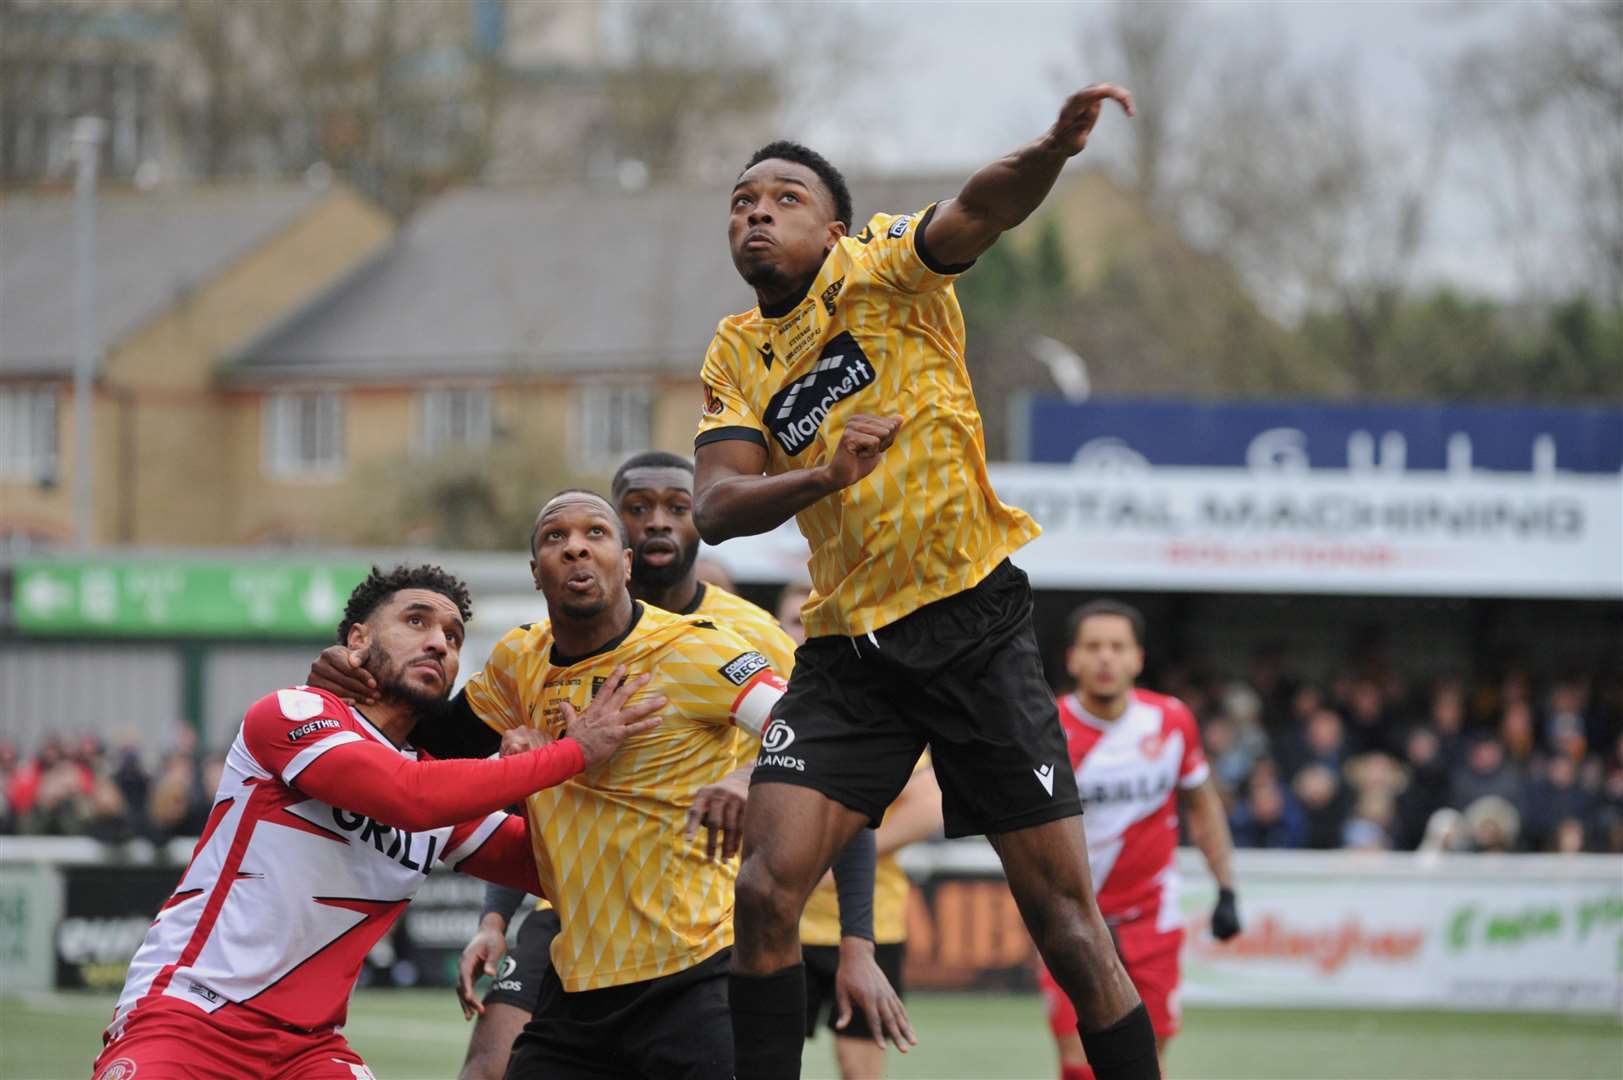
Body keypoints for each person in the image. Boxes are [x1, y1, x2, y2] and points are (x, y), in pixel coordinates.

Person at [691, 83, 1162, 1080]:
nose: (756, 213)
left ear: (836, 226)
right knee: (768, 894)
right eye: (740, 201)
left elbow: (983, 207)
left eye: (781, 197)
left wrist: (1054, 148)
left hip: (971, 627)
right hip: (848, 653)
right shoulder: (736, 353)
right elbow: (715, 506)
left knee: (1063, 921)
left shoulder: (889, 271)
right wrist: (821, 475)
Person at [310, 491, 904, 1078]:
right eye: (554, 537)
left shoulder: (695, 648)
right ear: (536, 572)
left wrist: (751, 775)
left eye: (594, 533)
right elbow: (428, 744)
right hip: (579, 985)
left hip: (696, 975)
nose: (574, 548)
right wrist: (350, 681)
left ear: (624, 564)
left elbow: (811, 731)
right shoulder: (520, 659)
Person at [90, 565, 660, 1080]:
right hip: (189, 1015)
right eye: (417, 621)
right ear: (357, 639)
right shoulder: (296, 712)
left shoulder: (439, 787)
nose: (439, 642)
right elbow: (405, 797)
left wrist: (559, 789)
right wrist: (570, 754)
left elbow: (565, 867)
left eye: (454, 637)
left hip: (308, 1051)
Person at [1040, 600, 1241, 1080]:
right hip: (1073, 921)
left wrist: (1227, 888)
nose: (1105, 658)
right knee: (1078, 1060)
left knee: (1147, 1057)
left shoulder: (1172, 721)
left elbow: (1203, 804)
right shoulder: (1045, 730)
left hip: (1153, 917)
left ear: (1137, 658)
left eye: (1117, 647)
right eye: (1093, 647)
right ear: (1072, 659)